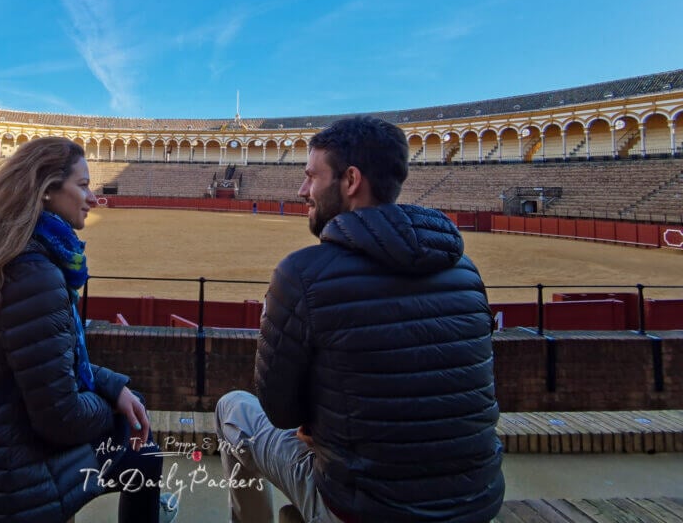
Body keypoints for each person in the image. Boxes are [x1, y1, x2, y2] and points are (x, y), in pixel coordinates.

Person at [216, 116, 504, 523]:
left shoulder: (303, 273)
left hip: (362, 509)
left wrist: (317, 423)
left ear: (350, 181)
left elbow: (280, 413)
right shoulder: (466, 270)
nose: (302, 190)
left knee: (232, 409)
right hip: (477, 503)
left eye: (311, 177)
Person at [0, 137, 168, 523]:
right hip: (11, 482)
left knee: (136, 436)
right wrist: (115, 411)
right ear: (48, 190)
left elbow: (37, 359)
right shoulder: (34, 272)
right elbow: (61, 416)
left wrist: (111, 385)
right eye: (82, 185)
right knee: (143, 449)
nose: (92, 197)